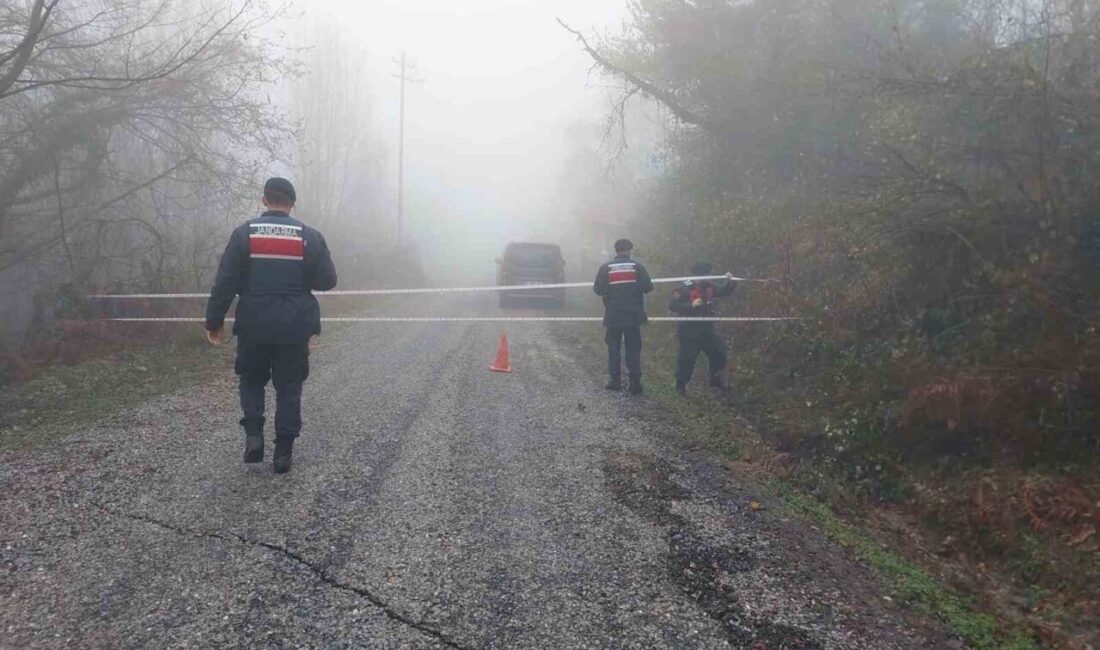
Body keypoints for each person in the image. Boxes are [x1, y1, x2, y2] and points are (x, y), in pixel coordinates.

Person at [204, 178, 337, 474]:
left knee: (251, 381)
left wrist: (213, 322)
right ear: (293, 203)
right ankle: (283, 453)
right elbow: (327, 281)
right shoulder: (310, 237)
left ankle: (253, 437)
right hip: (294, 326)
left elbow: (224, 283)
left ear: (264, 200)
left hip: (253, 324)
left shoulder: (244, 235)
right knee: (289, 386)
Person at [593, 239, 654, 395]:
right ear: (629, 250)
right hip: (633, 316)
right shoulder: (637, 267)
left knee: (613, 348)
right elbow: (648, 287)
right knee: (633, 348)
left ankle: (615, 381)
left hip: (613, 315)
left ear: (616, 250)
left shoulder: (606, 268)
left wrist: (610, 291)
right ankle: (634, 383)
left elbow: (598, 289)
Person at [669, 262, 737, 395]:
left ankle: (715, 378)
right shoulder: (683, 288)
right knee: (687, 359)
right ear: (700, 275)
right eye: (709, 274)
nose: (711, 276)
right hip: (688, 330)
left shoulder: (709, 286)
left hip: (706, 329)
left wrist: (730, 282)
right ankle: (680, 385)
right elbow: (672, 305)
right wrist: (691, 305)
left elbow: (724, 291)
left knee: (719, 352)